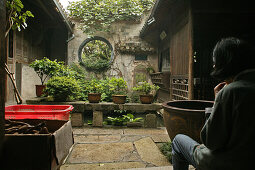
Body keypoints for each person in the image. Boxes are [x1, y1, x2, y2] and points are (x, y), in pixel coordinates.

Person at [171, 37, 255, 170]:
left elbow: (211, 141)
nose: (214, 66)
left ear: (225, 62)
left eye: (215, 62)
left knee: (178, 140)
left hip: (227, 162)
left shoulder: (231, 91)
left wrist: (217, 100)